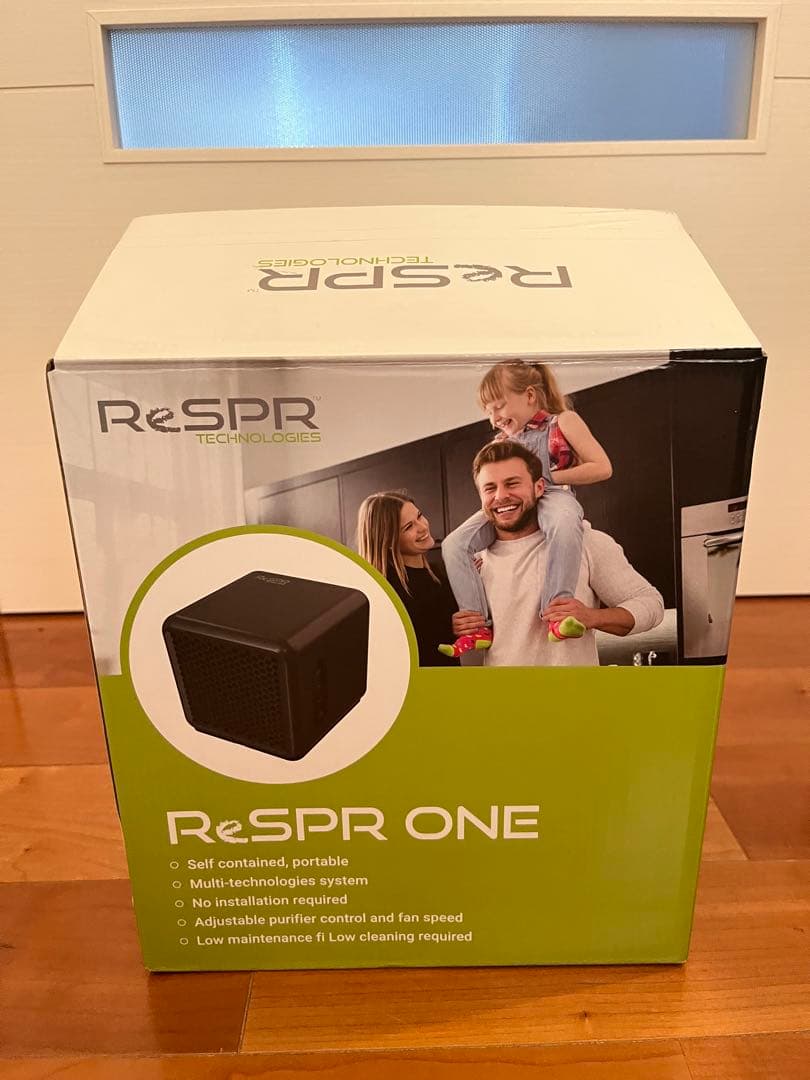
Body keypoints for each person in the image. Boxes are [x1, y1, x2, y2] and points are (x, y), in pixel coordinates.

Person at [441, 359, 612, 657]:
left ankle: (557, 613)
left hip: (554, 494)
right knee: (454, 544)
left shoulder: (563, 422)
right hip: (516, 504)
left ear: (530, 395)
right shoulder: (501, 443)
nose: (494, 418)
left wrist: (544, 479)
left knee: (563, 523)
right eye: (488, 411)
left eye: (498, 406)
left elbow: (602, 467)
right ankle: (479, 625)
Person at [450, 440, 664, 668]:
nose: (501, 496)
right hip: (500, 691)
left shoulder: (585, 542)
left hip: (571, 691)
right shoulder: (475, 562)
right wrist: (465, 625)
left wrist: (592, 617)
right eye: (490, 488)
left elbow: (651, 604)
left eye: (512, 483)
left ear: (539, 487)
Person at [357, 491, 459, 668]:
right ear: (388, 541)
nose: (423, 527)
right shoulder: (387, 591)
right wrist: (450, 628)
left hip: (450, 677)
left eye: (419, 516)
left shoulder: (437, 573)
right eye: (409, 527)